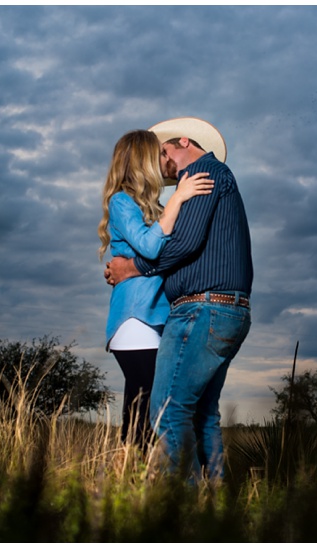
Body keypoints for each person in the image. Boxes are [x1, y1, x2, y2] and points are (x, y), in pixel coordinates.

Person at [105, 117, 253, 481]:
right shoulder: (184, 187)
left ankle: (183, 511)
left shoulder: (204, 174)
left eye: (164, 152)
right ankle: (211, 505)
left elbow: (178, 246)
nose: (160, 163)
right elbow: (170, 245)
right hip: (201, 311)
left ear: (183, 142)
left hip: (202, 309)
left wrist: (131, 268)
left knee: (166, 410)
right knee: (199, 413)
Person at [97, 129, 214, 451]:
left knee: (151, 407)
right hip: (136, 317)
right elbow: (150, 248)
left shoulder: (153, 206)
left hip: (157, 317)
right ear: (143, 160)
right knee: (143, 406)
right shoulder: (121, 200)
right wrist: (178, 198)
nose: (164, 159)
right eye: (158, 154)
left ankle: (137, 482)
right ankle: (129, 484)